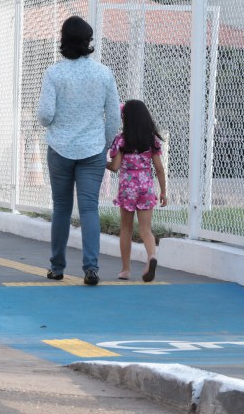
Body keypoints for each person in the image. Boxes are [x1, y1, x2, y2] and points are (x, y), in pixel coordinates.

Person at [37, 16, 121, 286]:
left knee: (61, 207)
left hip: (60, 149)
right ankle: (91, 268)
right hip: (92, 149)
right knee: (89, 208)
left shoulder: (54, 73)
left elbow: (45, 115)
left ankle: (57, 267)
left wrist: (55, 122)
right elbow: (114, 119)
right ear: (88, 41)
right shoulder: (104, 74)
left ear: (63, 41)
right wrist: (105, 145)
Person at [106, 99, 167, 282]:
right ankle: (151, 257)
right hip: (146, 186)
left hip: (128, 187)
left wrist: (102, 162)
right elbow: (159, 168)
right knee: (145, 229)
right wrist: (163, 191)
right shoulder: (152, 141)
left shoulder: (121, 140)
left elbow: (115, 167)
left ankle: (125, 270)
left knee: (126, 229)